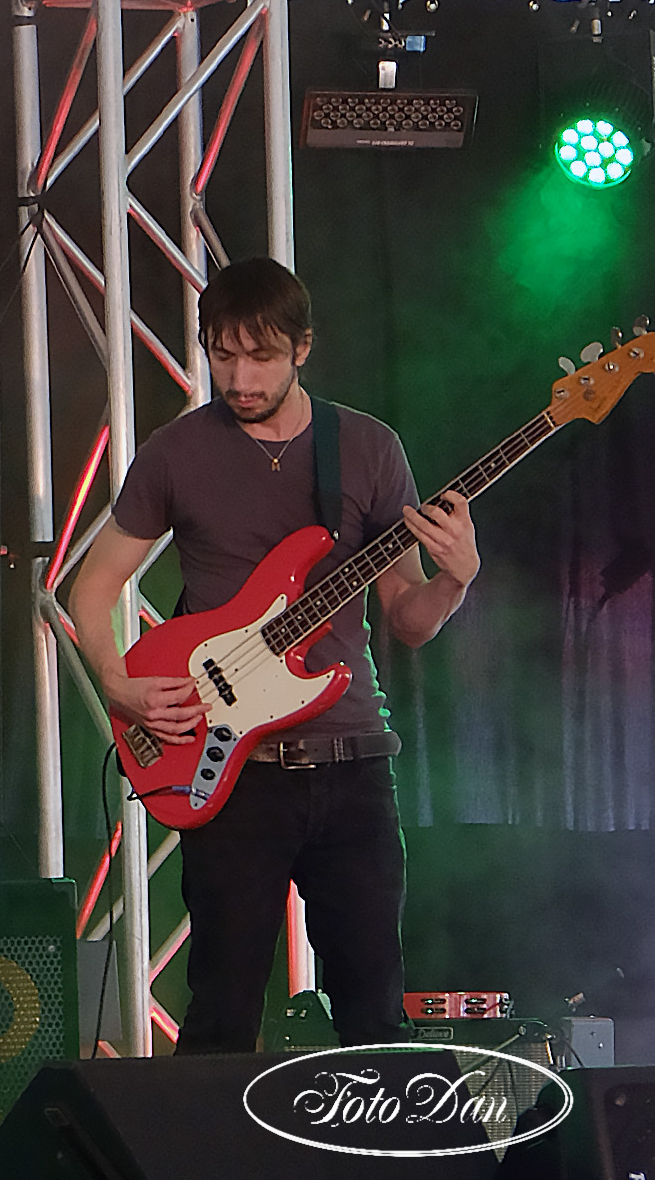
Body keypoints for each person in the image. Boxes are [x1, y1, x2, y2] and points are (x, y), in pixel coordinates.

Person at [69, 258, 480, 1054]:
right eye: (222, 355)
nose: (239, 377)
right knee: (222, 1015)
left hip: (353, 764)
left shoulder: (367, 447)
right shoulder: (176, 452)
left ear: (303, 348)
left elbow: (408, 620)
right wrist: (119, 683)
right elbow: (92, 588)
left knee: (374, 1012)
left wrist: (455, 581)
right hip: (232, 772)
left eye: (260, 356)